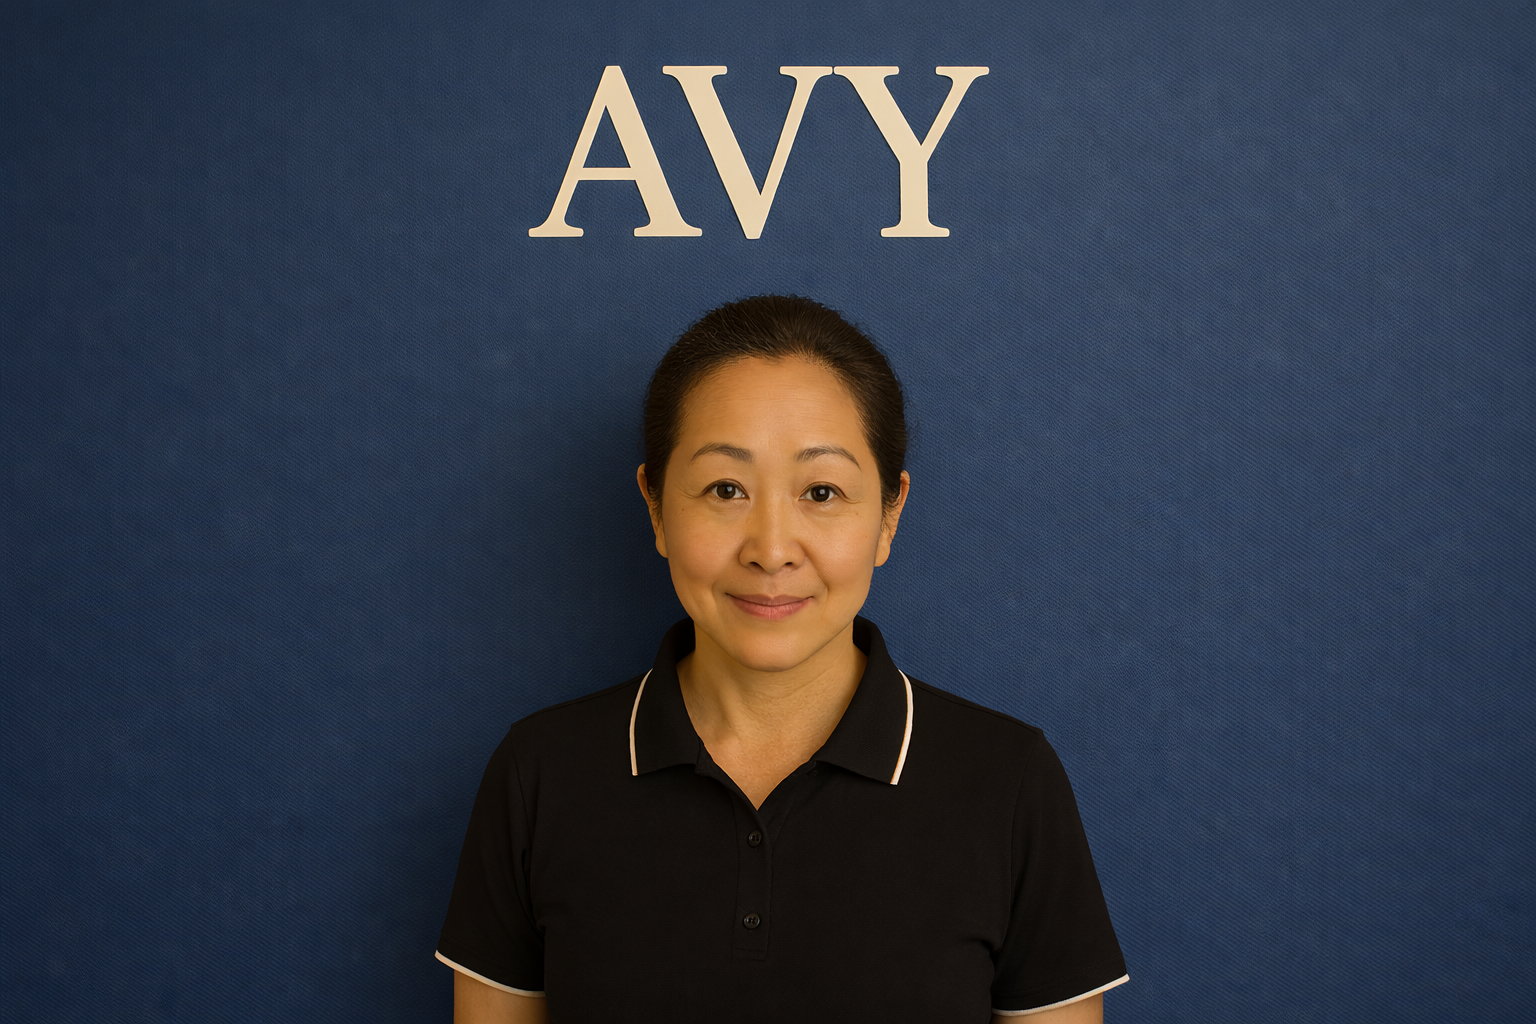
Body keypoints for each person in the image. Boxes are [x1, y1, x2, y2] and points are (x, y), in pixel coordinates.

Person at [435, 295, 1127, 1023]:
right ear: (655, 507)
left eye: (821, 492)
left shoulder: (1009, 781)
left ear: (889, 515)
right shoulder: (540, 773)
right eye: (725, 489)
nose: (770, 548)